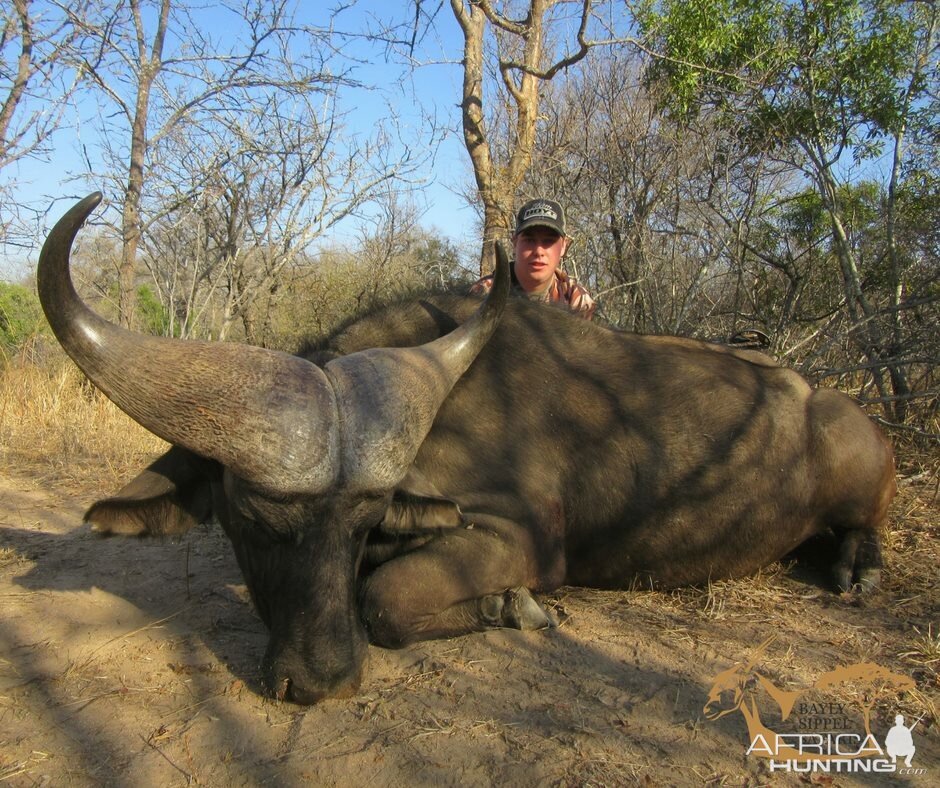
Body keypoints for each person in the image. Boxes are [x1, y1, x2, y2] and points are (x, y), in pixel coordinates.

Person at [470, 198, 596, 319]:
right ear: (514, 243)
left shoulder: (577, 301)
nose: (538, 251)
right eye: (529, 240)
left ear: (563, 246)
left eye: (549, 241)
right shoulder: (483, 294)